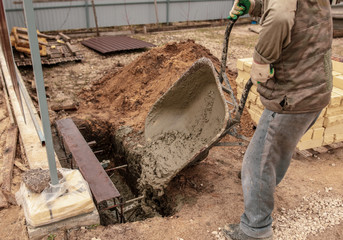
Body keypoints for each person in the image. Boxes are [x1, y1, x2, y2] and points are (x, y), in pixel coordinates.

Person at [224, 0, 333, 239]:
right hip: (315, 87)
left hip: (293, 95)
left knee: (258, 162)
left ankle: (256, 230)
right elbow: (293, 10)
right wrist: (253, 5)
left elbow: (282, 15)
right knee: (277, 151)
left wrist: (261, 59)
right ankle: (261, 189)